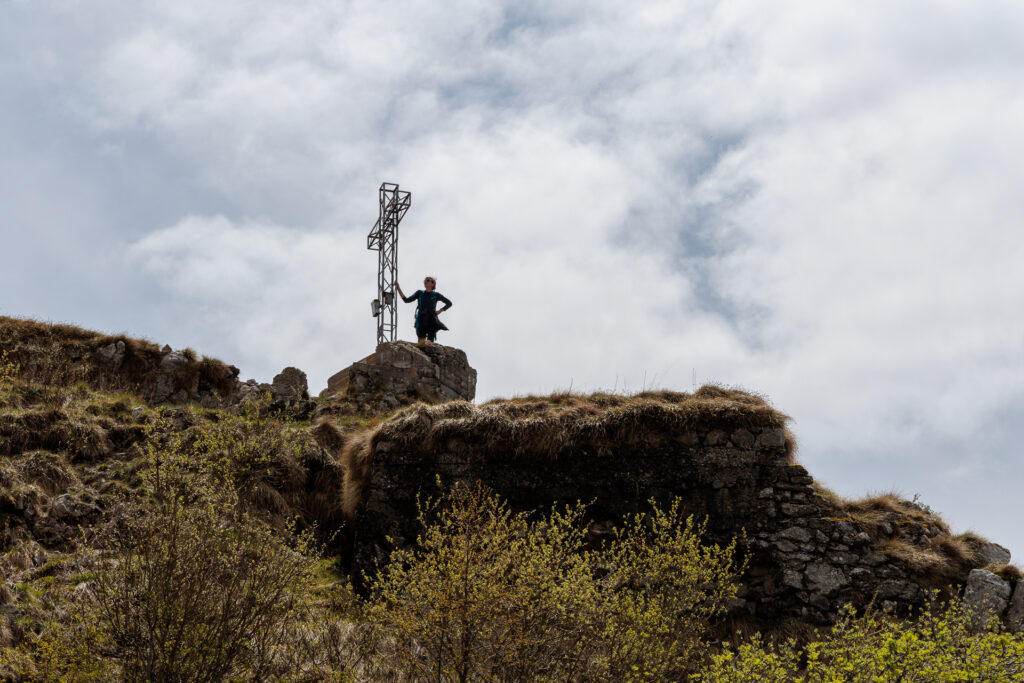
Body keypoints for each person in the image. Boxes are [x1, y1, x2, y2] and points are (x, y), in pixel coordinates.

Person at [396, 276, 452, 345]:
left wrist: (440, 311)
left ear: (433, 284)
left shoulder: (436, 295)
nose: (426, 281)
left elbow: (449, 303)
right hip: (421, 319)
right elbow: (406, 300)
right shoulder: (419, 293)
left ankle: (430, 353)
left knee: (430, 343)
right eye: (425, 280)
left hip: (432, 320)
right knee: (421, 342)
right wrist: (398, 288)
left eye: (428, 280)